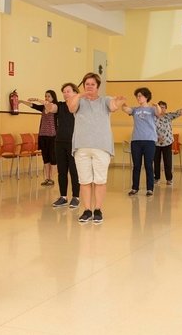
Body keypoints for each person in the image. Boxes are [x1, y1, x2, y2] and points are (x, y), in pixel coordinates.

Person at [68, 72, 125, 224]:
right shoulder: (78, 100)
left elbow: (113, 107)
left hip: (101, 146)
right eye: (87, 84)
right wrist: (80, 95)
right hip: (81, 146)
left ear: (98, 87)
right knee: (84, 181)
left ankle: (98, 209)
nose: (90, 86)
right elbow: (71, 108)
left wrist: (118, 102)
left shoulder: (104, 100)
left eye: (93, 84)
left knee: (99, 180)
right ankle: (87, 210)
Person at [46, 83, 81, 209]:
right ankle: (63, 197)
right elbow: (52, 108)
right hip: (59, 142)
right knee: (62, 171)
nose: (65, 93)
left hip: (74, 142)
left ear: (75, 93)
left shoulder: (79, 106)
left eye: (68, 91)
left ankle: (76, 197)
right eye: (64, 92)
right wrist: (46, 103)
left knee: (74, 171)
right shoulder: (60, 105)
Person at [122, 88, 161, 196]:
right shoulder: (135, 109)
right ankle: (135, 188)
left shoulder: (152, 109)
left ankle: (150, 189)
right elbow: (127, 110)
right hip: (136, 141)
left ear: (146, 97)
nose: (138, 98)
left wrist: (157, 106)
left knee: (148, 165)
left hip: (149, 141)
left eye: (140, 96)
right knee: (136, 165)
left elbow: (159, 113)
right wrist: (122, 104)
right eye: (137, 96)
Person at [19, 91, 58, 185]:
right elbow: (33, 105)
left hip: (52, 137)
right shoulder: (43, 107)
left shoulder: (55, 107)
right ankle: (47, 178)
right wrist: (22, 101)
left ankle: (51, 179)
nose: (46, 98)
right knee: (45, 158)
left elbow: (47, 104)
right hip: (43, 136)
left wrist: (37, 99)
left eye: (49, 96)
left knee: (53, 158)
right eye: (45, 96)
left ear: (53, 98)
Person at [154, 101, 182, 185]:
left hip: (167, 142)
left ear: (166, 109)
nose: (161, 109)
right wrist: (157, 137)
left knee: (168, 161)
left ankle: (169, 179)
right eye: (160, 107)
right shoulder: (153, 117)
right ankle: (157, 178)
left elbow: (177, 113)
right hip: (156, 143)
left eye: (163, 107)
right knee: (156, 161)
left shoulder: (168, 116)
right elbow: (150, 129)